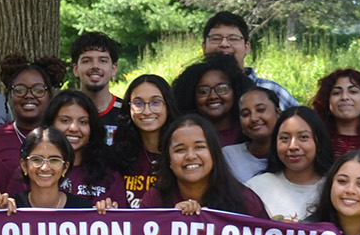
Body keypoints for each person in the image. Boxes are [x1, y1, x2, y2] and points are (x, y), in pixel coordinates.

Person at [140, 115, 268, 218]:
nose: (190, 156)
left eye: (199, 147)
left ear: (214, 153)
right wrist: (170, 219)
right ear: (169, 160)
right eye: (180, 150)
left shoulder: (244, 199)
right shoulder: (155, 199)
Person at [0, 54, 67, 169]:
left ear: (49, 95)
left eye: (38, 90)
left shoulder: (62, 137)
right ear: (11, 94)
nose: (29, 95)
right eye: (20, 90)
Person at [243, 107, 333, 222]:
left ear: (318, 142)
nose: (293, 146)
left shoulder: (335, 188)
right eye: (284, 138)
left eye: (303, 137)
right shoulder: (255, 187)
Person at [200, 12, 297, 108]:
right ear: (204, 47)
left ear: (247, 47)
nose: (224, 44)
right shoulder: (194, 91)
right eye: (216, 38)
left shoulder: (274, 91)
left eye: (233, 39)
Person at [40, 91, 122, 202]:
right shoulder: (36, 168)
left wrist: (109, 211)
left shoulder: (109, 174)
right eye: (65, 121)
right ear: (51, 124)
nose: (74, 128)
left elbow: (122, 212)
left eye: (83, 122)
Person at [111, 75, 176, 209]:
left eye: (155, 102)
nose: (146, 112)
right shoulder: (117, 155)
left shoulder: (180, 153)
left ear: (168, 106)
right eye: (138, 103)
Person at [172, 53, 253, 147]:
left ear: (235, 91)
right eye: (203, 91)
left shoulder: (250, 131)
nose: (213, 96)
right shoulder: (183, 134)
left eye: (222, 89)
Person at [314, 68, 360, 155]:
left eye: (353, 91)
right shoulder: (315, 142)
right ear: (327, 101)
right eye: (336, 93)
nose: (344, 97)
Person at [70, 32, 125, 134]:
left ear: (113, 69)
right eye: (87, 61)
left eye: (102, 61)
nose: (95, 66)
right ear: (76, 69)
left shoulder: (127, 113)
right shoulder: (63, 111)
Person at [222, 88, 280, 182]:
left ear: (278, 113)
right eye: (245, 114)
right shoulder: (228, 156)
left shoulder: (292, 153)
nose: (253, 118)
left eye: (260, 110)